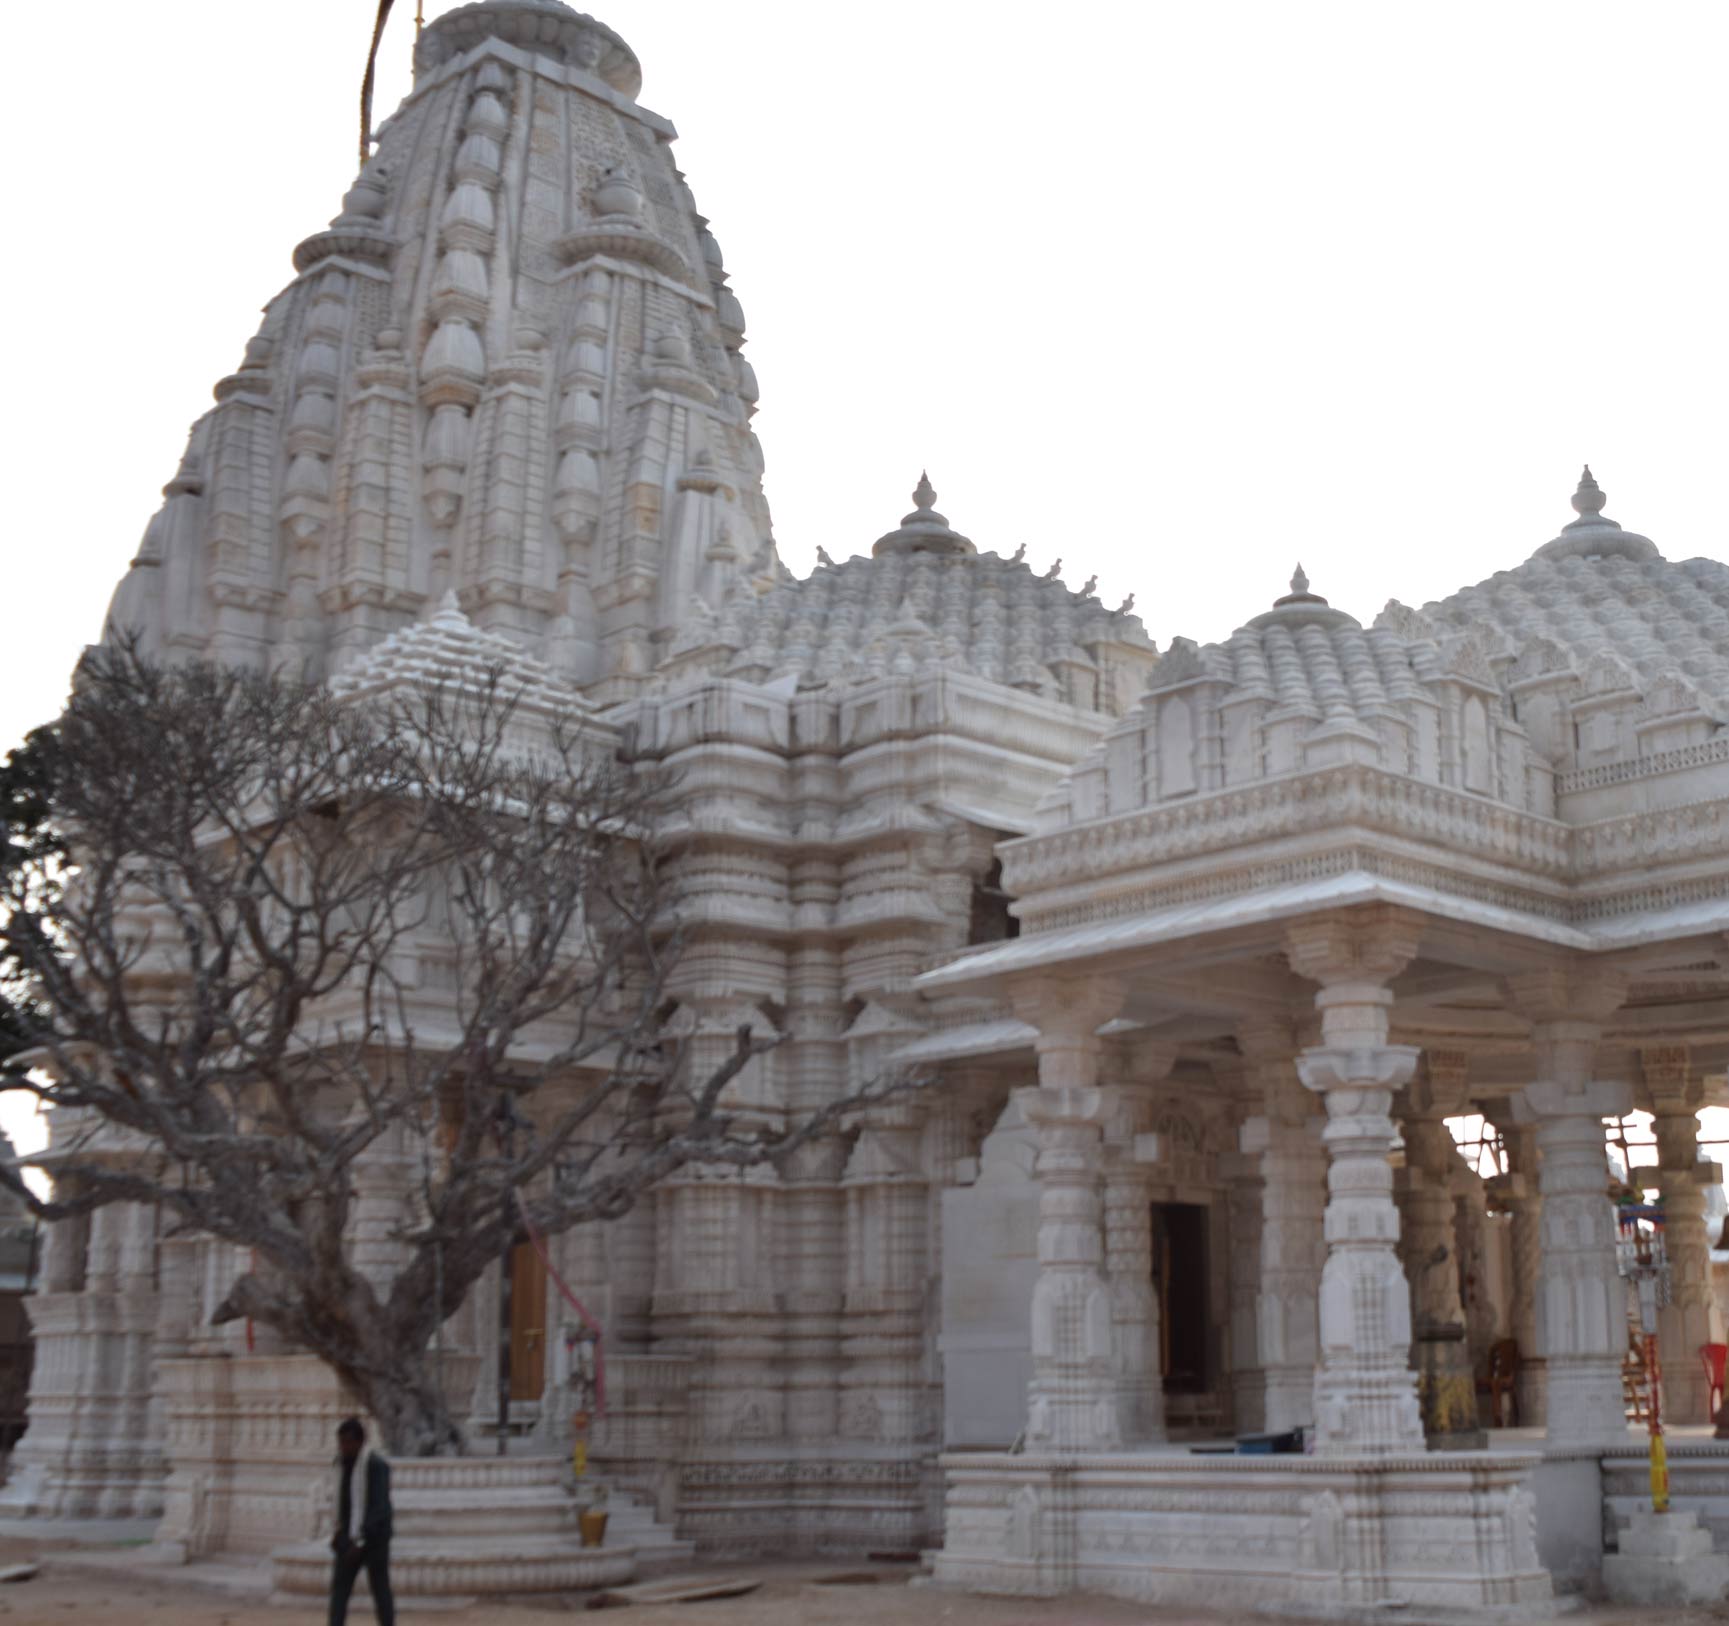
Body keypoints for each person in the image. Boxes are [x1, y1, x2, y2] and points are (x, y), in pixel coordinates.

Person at [328, 1417, 394, 1626]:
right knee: (339, 1592)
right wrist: (340, 1536)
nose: (344, 1447)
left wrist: (362, 1541)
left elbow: (380, 1508)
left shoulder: (376, 1466)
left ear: (360, 1442)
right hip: (349, 1538)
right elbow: (341, 1504)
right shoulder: (340, 1465)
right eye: (341, 1442)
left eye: (348, 1442)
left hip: (374, 1540)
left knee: (380, 1590)